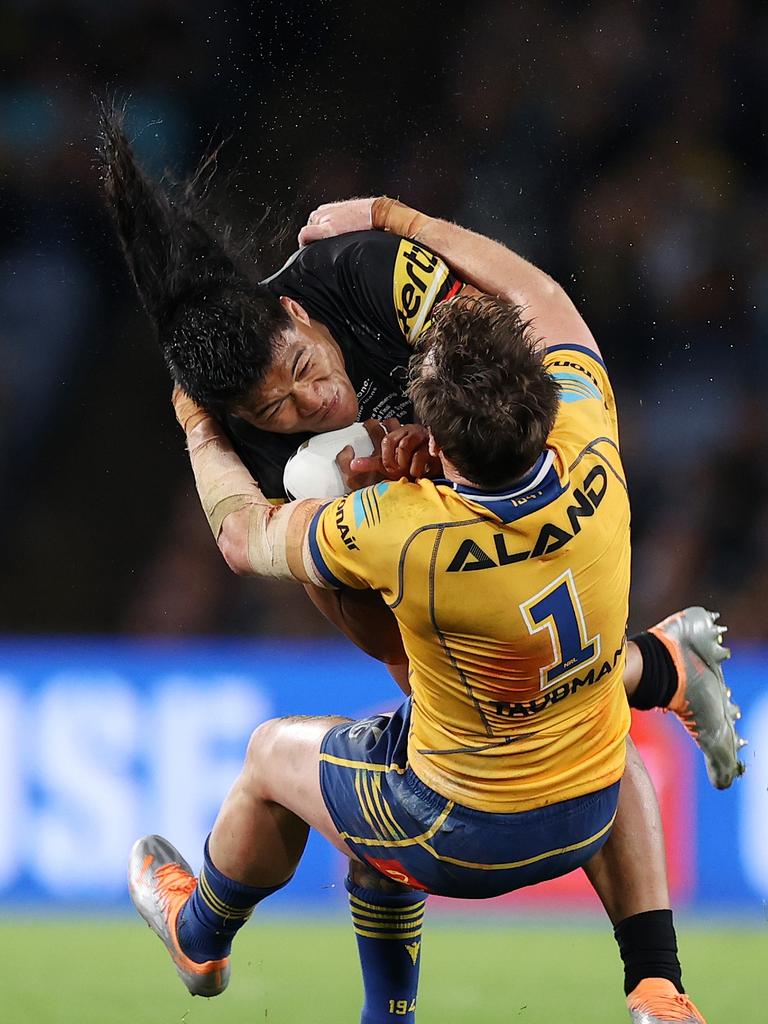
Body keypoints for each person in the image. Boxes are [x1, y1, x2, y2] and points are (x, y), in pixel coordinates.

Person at [98, 107, 743, 793]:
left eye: (301, 365)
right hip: (419, 540)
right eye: (274, 408)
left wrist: (434, 438)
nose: (308, 400)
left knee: (522, 702)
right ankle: (661, 665)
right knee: (446, 679)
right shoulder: (250, 447)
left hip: (514, 463)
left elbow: (505, 353)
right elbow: (365, 622)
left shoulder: (359, 270)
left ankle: (662, 667)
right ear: (240, 416)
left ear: (296, 314)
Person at [130, 288, 710, 1023]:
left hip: (456, 834)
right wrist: (411, 226)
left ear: (438, 434)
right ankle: (658, 986)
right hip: (591, 807)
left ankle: (199, 935)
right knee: (587, 730)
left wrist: (195, 419)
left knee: (272, 755)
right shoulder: (592, 441)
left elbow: (245, 538)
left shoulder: (397, 525)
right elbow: (555, 305)